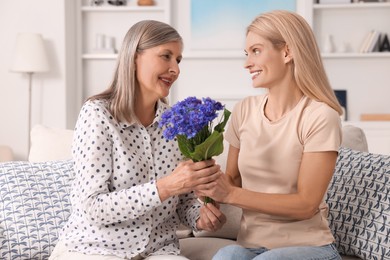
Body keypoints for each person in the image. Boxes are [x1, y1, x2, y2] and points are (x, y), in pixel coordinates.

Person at [50, 20, 226, 260]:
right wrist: (165, 186)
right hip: (95, 247)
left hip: (159, 249)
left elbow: (183, 202)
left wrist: (201, 217)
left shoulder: (175, 122)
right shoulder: (98, 114)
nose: (175, 69)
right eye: (166, 56)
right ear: (134, 57)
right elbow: (93, 206)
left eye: (178, 59)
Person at [196, 10, 343, 260]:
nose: (246, 63)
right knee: (226, 255)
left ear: (287, 52)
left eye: (256, 51)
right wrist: (208, 191)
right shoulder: (244, 110)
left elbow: (306, 204)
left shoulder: (319, 116)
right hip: (251, 245)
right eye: (246, 54)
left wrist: (230, 194)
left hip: (310, 246)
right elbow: (232, 178)